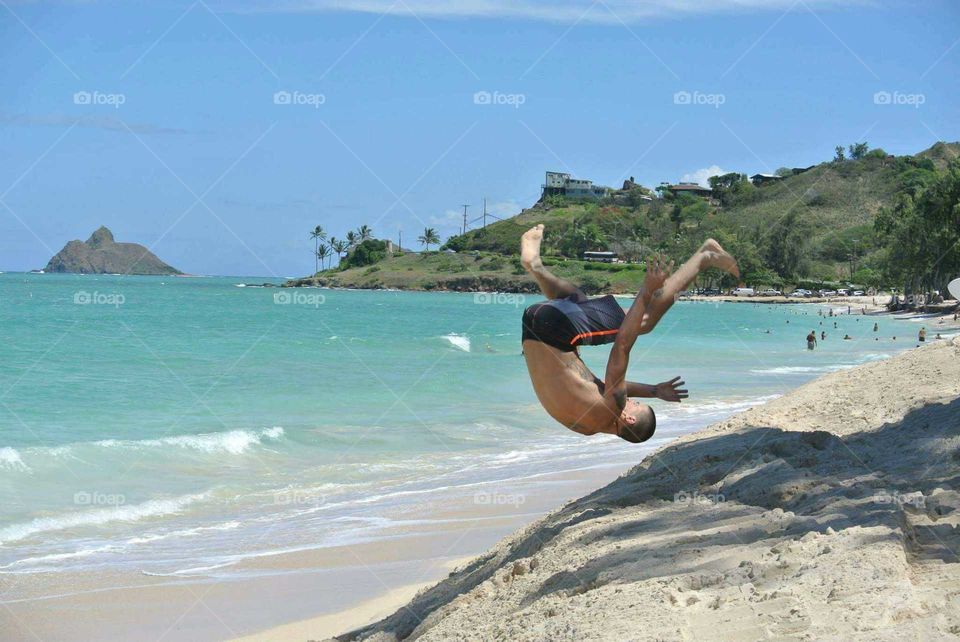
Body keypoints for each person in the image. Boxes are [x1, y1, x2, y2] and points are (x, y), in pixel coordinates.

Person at [519, 225, 738, 443]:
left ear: (629, 419)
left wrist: (647, 290)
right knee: (576, 300)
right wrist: (654, 390)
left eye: (635, 404)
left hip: (555, 328)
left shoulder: (613, 407)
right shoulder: (586, 426)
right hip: (534, 324)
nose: (631, 400)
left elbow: (621, 347)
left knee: (646, 321)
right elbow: (610, 387)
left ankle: (705, 256)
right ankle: (535, 266)